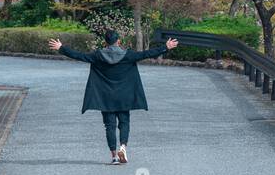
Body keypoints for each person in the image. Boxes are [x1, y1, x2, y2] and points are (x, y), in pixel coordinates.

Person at [47, 30, 179, 164]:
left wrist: (61, 48)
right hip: (124, 97)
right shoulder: (128, 55)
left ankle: (114, 156)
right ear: (119, 41)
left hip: (105, 98)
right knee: (124, 122)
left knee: (109, 126)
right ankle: (123, 146)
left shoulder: (98, 55)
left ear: (105, 42)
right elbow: (146, 54)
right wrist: (165, 47)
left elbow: (80, 56)